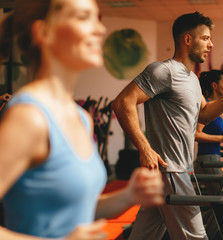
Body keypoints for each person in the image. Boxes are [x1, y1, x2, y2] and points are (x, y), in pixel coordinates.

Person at [0, 0, 164, 239]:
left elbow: (73, 209)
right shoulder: (29, 117)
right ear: (44, 32)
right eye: (83, 17)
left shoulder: (81, 118)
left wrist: (128, 196)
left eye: (97, 18)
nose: (100, 29)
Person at [112, 11, 223, 240]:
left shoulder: (192, 79)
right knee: (195, 236)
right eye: (205, 38)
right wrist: (145, 148)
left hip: (177, 170)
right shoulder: (163, 71)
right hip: (171, 170)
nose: (211, 44)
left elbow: (203, 116)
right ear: (187, 39)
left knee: (143, 236)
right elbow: (123, 102)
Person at [194, 70, 223, 195]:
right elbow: (196, 134)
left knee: (217, 201)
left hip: (213, 158)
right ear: (214, 86)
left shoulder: (216, 107)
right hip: (207, 159)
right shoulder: (206, 106)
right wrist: (222, 139)